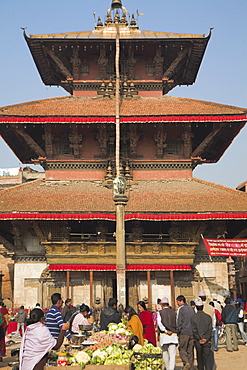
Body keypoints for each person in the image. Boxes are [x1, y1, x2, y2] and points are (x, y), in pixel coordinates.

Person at [191, 297, 213, 370]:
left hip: (198, 341)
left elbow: (194, 330)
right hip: (207, 340)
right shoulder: (208, 317)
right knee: (207, 358)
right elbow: (210, 329)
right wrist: (205, 338)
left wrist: (199, 338)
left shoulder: (193, 317)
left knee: (199, 358)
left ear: (196, 307)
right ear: (203, 307)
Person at [157, 297, 178, 370]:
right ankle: (171, 368)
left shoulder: (160, 313)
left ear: (162, 305)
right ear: (168, 304)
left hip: (164, 336)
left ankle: (167, 367)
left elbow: (159, 323)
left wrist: (165, 330)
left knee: (164, 352)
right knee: (172, 354)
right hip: (173, 335)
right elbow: (177, 322)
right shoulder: (174, 312)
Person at [176, 295, 195, 370]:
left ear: (181, 301)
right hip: (191, 332)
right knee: (190, 350)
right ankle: (190, 366)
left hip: (184, 332)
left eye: (178, 302)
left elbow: (179, 321)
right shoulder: (191, 309)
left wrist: (178, 330)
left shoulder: (181, 309)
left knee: (182, 349)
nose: (177, 304)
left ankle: (186, 362)